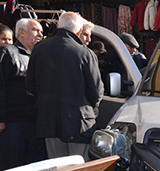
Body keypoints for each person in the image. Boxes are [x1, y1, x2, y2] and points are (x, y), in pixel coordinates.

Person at [25, 12, 104, 161]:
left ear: (57, 26)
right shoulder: (85, 54)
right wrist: (90, 108)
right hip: (79, 123)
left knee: (57, 170)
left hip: (49, 121)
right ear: (79, 31)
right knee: (78, 170)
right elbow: (96, 91)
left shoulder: (39, 49)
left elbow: (30, 85)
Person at [0, 18, 46, 171]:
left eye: (41, 32)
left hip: (34, 123)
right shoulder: (8, 52)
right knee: (13, 169)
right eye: (36, 30)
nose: (40, 34)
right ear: (21, 32)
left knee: (32, 169)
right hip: (13, 123)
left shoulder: (38, 56)